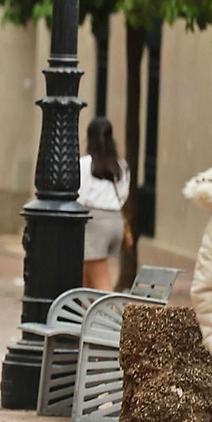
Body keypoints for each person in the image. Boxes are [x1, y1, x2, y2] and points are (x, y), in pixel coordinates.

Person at [78, 116, 129, 292]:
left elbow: (79, 195)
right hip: (116, 221)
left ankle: (112, 310)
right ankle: (86, 310)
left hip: (94, 223)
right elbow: (123, 194)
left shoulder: (84, 164)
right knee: (86, 281)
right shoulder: (121, 165)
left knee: (101, 284)